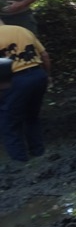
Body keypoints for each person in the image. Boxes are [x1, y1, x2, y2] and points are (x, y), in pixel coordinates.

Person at [0, 20, 51, 162]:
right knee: (31, 116)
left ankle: (19, 160)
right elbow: (45, 55)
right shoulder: (22, 30)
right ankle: (38, 151)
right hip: (37, 75)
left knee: (8, 121)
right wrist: (47, 75)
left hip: (15, 80)